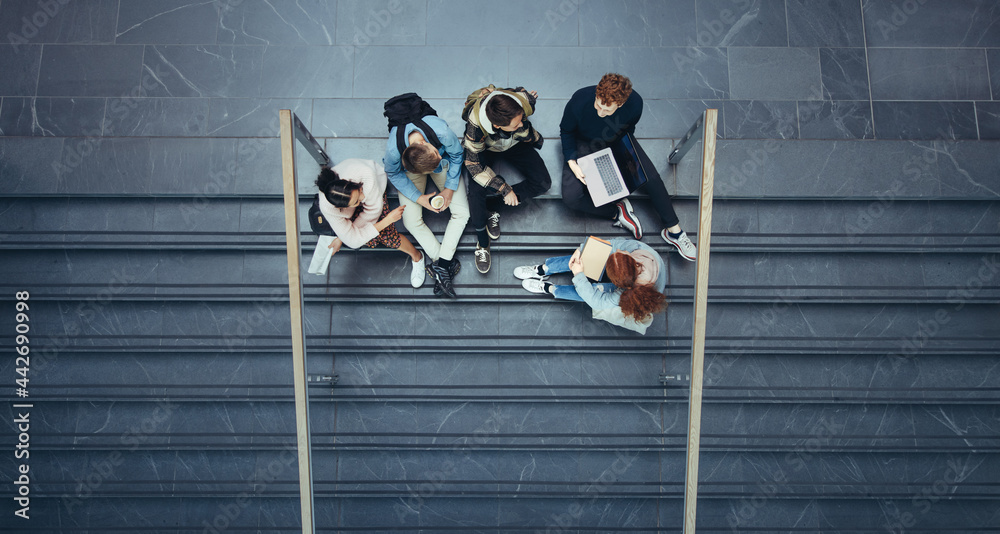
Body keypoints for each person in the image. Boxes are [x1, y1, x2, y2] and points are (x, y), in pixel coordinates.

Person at [560, 73, 698, 261]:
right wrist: (572, 162)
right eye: (598, 105)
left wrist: (624, 154)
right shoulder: (580, 99)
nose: (600, 112)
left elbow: (628, 128)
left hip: (616, 139)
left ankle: (674, 231)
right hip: (585, 143)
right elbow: (566, 130)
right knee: (571, 198)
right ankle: (617, 212)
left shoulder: (635, 104)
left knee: (650, 177)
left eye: (607, 110)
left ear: (621, 104)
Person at [461, 84, 552, 273]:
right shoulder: (475, 127)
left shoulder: (520, 102)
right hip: (487, 148)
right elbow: (474, 166)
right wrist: (504, 188)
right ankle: (482, 242)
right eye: (516, 123)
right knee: (475, 191)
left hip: (515, 142)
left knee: (543, 182)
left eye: (521, 119)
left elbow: (523, 96)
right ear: (497, 125)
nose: (522, 123)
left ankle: (491, 209)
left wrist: (529, 98)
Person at [384, 114, 470, 298]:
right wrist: (419, 198)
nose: (438, 154)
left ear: (425, 143)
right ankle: (444, 265)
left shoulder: (442, 134)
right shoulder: (393, 152)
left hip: (444, 164)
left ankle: (442, 266)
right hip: (411, 171)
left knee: (462, 213)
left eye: (435, 152)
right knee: (411, 221)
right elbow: (392, 172)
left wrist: (449, 187)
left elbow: (456, 154)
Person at [513, 238, 667, 334]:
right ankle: (542, 270)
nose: (620, 250)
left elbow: (596, 301)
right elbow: (613, 245)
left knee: (592, 292)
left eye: (621, 252)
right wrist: (581, 251)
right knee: (586, 258)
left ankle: (550, 288)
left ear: (620, 285)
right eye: (622, 253)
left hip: (632, 295)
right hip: (631, 277)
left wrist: (579, 275)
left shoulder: (628, 294)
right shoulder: (637, 249)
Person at [315, 159, 425, 288]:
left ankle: (417, 256)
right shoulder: (328, 207)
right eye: (356, 202)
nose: (362, 199)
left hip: (375, 190)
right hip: (357, 205)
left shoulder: (365, 176)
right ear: (340, 207)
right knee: (368, 236)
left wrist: (385, 221)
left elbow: (373, 211)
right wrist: (346, 235)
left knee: (386, 236)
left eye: (359, 192)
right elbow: (353, 241)